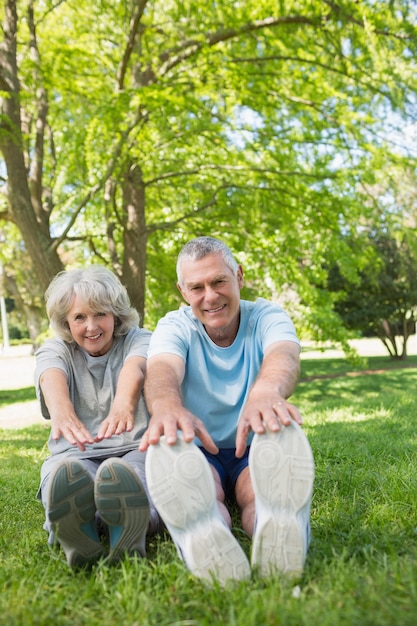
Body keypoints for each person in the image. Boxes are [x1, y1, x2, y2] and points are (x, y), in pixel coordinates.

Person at [140, 236, 315, 585]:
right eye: (197, 287)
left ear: (239, 275)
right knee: (205, 494)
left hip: (255, 443)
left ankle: (275, 526)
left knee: (258, 493)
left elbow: (284, 356)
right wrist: (168, 407)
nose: (210, 296)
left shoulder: (267, 315)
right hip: (198, 446)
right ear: (182, 290)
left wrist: (265, 392)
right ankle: (206, 534)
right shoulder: (174, 326)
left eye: (219, 281)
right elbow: (162, 370)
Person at [35, 266, 161, 567]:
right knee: (64, 478)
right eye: (80, 317)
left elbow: (137, 365)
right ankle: (79, 528)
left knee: (135, 477)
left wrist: (123, 404)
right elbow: (49, 374)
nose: (91, 326)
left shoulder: (139, 339)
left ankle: (128, 525)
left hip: (134, 448)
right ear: (66, 320)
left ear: (115, 315)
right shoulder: (57, 349)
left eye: (100, 314)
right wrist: (62, 412)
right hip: (75, 453)